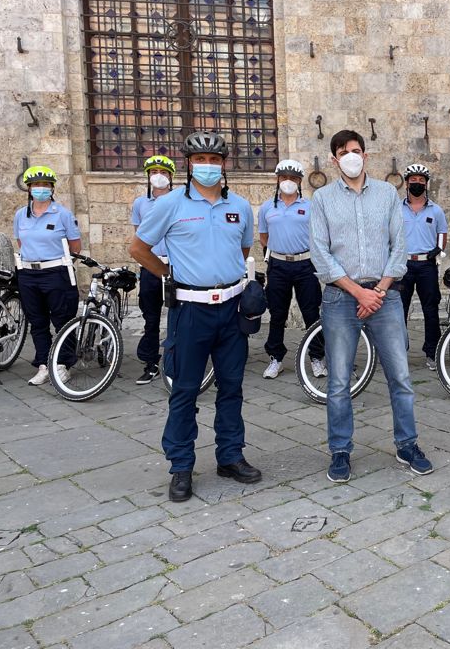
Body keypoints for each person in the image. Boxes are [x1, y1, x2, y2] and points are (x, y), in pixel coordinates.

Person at [130, 132, 260, 503]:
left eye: (215, 159)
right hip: (190, 311)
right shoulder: (170, 203)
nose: (208, 165)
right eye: (201, 158)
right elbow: (138, 247)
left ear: (224, 164)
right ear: (188, 163)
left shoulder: (240, 205)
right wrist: (168, 276)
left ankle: (230, 457)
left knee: (232, 387)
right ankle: (181, 465)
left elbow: (243, 247)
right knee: (185, 390)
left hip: (232, 309)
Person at [310, 129, 433, 483]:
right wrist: (357, 292)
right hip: (340, 298)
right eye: (344, 151)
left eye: (357, 150)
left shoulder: (386, 195)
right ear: (334, 159)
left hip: (385, 296)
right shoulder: (322, 200)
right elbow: (320, 253)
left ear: (365, 155)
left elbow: (399, 246)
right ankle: (340, 449)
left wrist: (377, 290)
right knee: (338, 381)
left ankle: (407, 444)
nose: (351, 156)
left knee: (401, 377)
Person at [13, 166, 81, 386]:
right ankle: (43, 364)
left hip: (56, 272)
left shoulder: (63, 214)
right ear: (29, 189)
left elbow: (75, 246)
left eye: (44, 185)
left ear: (52, 188)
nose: (40, 189)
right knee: (37, 321)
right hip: (28, 274)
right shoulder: (20, 215)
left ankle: (62, 364)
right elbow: (21, 242)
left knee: (63, 320)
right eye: (35, 185)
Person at [258, 159, 324, 380]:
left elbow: (319, 235)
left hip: (305, 264)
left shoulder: (310, 206)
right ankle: (275, 358)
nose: (288, 182)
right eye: (284, 177)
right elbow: (264, 237)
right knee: (277, 314)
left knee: (311, 313)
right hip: (278, 265)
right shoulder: (268, 207)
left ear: (300, 181)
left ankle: (316, 357)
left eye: (293, 178)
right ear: (278, 179)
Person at [130, 155, 176, 384]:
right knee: (151, 316)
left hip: (176, 264)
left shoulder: (180, 200)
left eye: (164, 172)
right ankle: (150, 362)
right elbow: (140, 236)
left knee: (179, 314)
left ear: (171, 177)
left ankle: (177, 359)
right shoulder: (141, 204)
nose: (158, 176)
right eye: (153, 172)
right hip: (151, 264)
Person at [399, 163, 448, 371]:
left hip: (427, 265)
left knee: (431, 310)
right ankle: (399, 353)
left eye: (421, 180)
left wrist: (438, 249)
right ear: (407, 182)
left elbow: (442, 234)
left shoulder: (436, 210)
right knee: (399, 310)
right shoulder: (396, 209)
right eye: (413, 180)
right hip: (403, 265)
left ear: (426, 184)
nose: (417, 183)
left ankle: (432, 352)